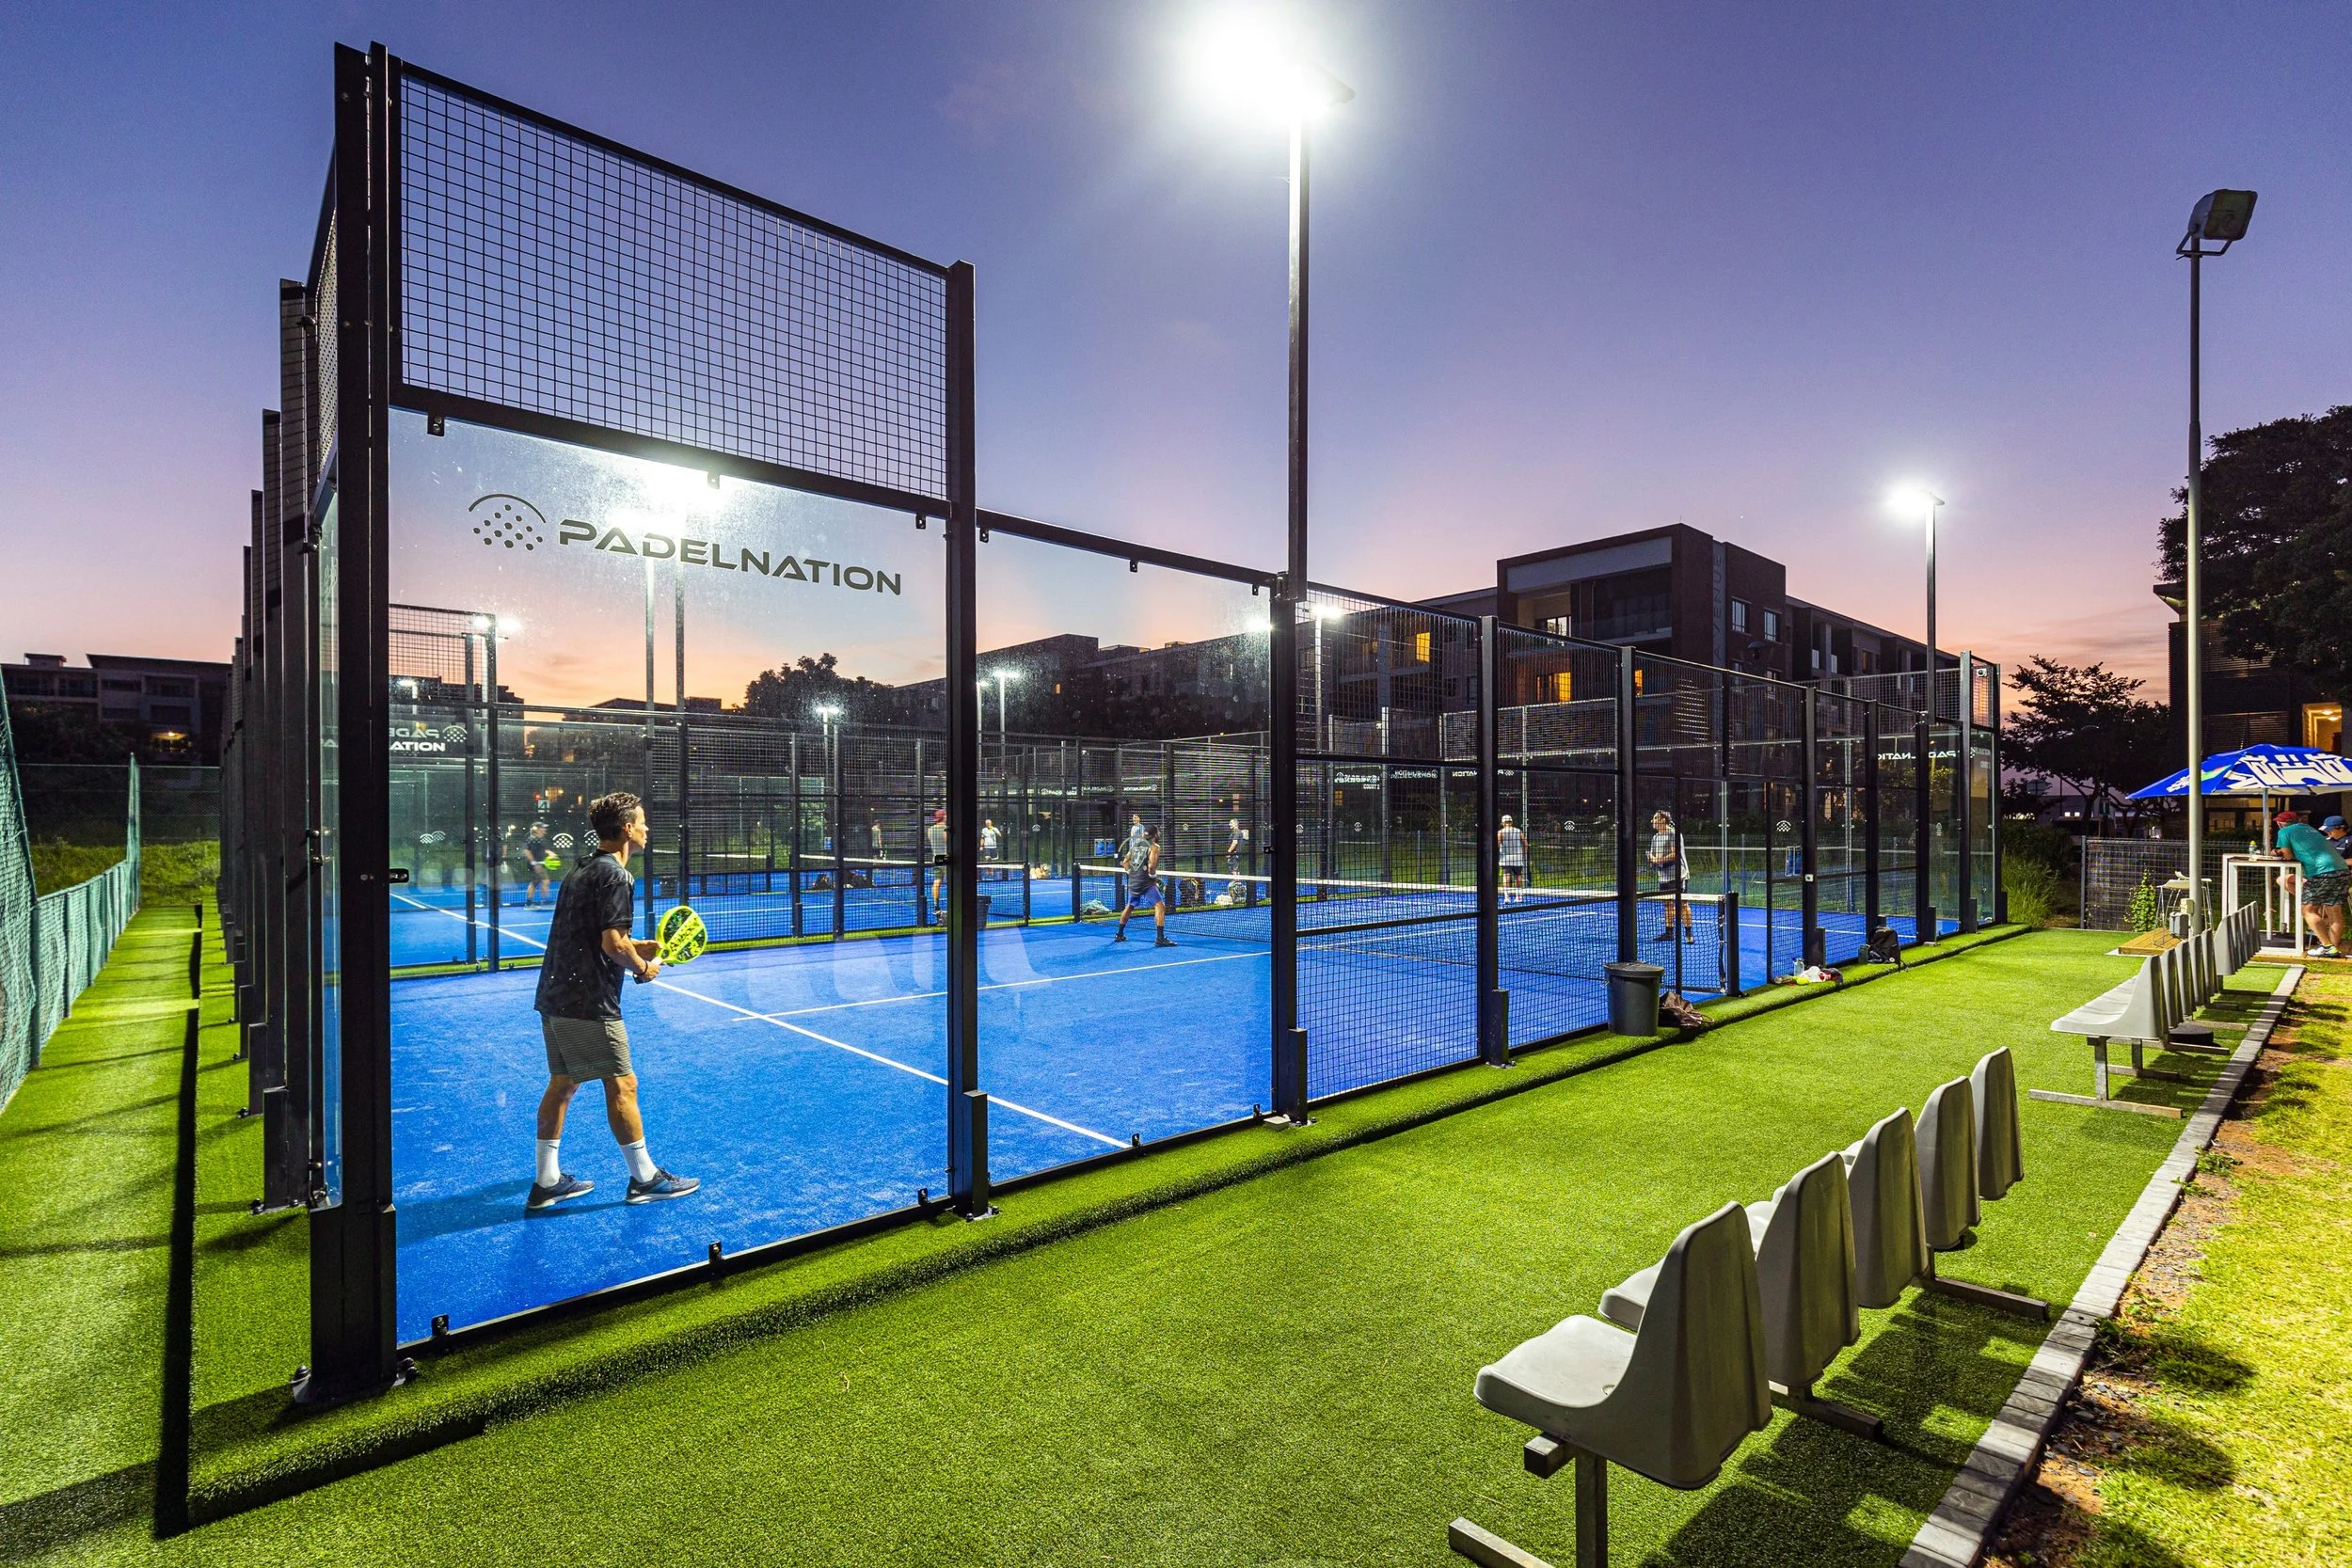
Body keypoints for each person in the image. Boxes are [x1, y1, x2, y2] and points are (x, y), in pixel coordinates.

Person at [527, 791, 698, 1212]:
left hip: (555, 997)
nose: (645, 829)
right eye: (641, 822)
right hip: (588, 1002)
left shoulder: (582, 870)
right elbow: (612, 943)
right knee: (622, 1083)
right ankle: (645, 1179)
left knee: (563, 1084)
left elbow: (596, 936)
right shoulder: (618, 876)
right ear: (626, 829)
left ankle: (547, 1182)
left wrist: (638, 946)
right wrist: (641, 966)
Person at [2273, 808, 2347, 957]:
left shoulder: (2284, 832)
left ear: (2282, 823)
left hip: (2321, 871)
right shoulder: (2309, 828)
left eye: (2278, 823)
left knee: (2308, 911)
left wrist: (2279, 852)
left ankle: (2327, 946)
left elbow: (2287, 856)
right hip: (2341, 869)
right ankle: (2332, 948)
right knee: (2335, 910)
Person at [1113, 821, 1174, 946]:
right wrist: (1153, 878)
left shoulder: (1135, 845)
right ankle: (1160, 938)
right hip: (1146, 883)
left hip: (1133, 881)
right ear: (1154, 835)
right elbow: (1151, 866)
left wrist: (1132, 873)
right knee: (1160, 906)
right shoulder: (1154, 847)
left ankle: (1119, 934)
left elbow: (1125, 862)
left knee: (1130, 906)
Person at [1648, 809, 1694, 943]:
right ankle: (1669, 933)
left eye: (1656, 818)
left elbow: (1675, 854)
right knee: (1668, 905)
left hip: (1678, 876)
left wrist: (1658, 860)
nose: (1653, 821)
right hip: (1663, 877)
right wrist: (1652, 858)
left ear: (1663, 820)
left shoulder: (1673, 834)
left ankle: (1688, 934)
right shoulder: (1655, 837)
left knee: (1683, 904)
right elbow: (1652, 854)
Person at [522, 821, 555, 908]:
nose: (544, 829)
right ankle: (536, 902)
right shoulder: (532, 839)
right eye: (542, 827)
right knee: (539, 882)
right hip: (536, 865)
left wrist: (551, 853)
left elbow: (543, 850)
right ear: (537, 829)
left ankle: (538, 902)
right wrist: (534, 863)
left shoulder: (541, 839)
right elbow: (526, 851)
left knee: (540, 882)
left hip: (540, 864)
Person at [1497, 814, 1529, 904]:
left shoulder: (1501, 832)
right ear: (1511, 822)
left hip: (1505, 857)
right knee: (1518, 876)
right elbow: (1525, 843)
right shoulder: (1519, 831)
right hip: (1517, 857)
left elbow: (1498, 844)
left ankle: (1507, 897)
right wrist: (1523, 854)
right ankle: (1518, 896)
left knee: (1506, 876)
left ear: (1503, 822)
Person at [927, 807, 949, 924]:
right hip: (946, 858)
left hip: (936, 858)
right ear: (944, 816)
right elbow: (949, 842)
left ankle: (936, 905)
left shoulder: (930, 830)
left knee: (937, 881)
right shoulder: (946, 829)